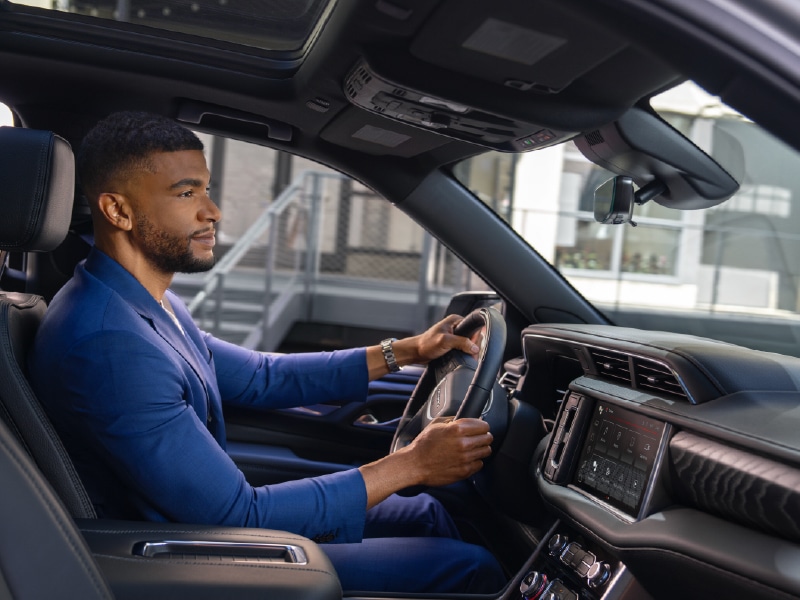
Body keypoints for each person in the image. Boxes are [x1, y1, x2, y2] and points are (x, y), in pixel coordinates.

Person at [28, 111, 506, 594]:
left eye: (207, 190)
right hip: (184, 557)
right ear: (118, 211)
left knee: (426, 512)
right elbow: (238, 515)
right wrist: (412, 465)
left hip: (203, 526)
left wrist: (405, 351)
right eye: (186, 193)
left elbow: (261, 376)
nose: (212, 211)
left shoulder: (141, 301)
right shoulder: (108, 345)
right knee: (471, 566)